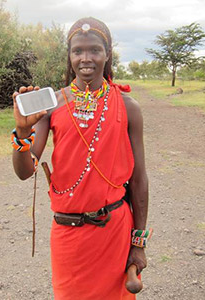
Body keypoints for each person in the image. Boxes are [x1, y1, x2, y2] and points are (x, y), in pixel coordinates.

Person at [12, 17, 150, 300]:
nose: (86, 58)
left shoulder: (128, 106)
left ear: (107, 54)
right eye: (78, 51)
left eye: (95, 50)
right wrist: (23, 133)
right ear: (70, 56)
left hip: (114, 233)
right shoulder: (52, 105)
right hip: (68, 236)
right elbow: (25, 172)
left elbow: (139, 180)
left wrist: (138, 243)